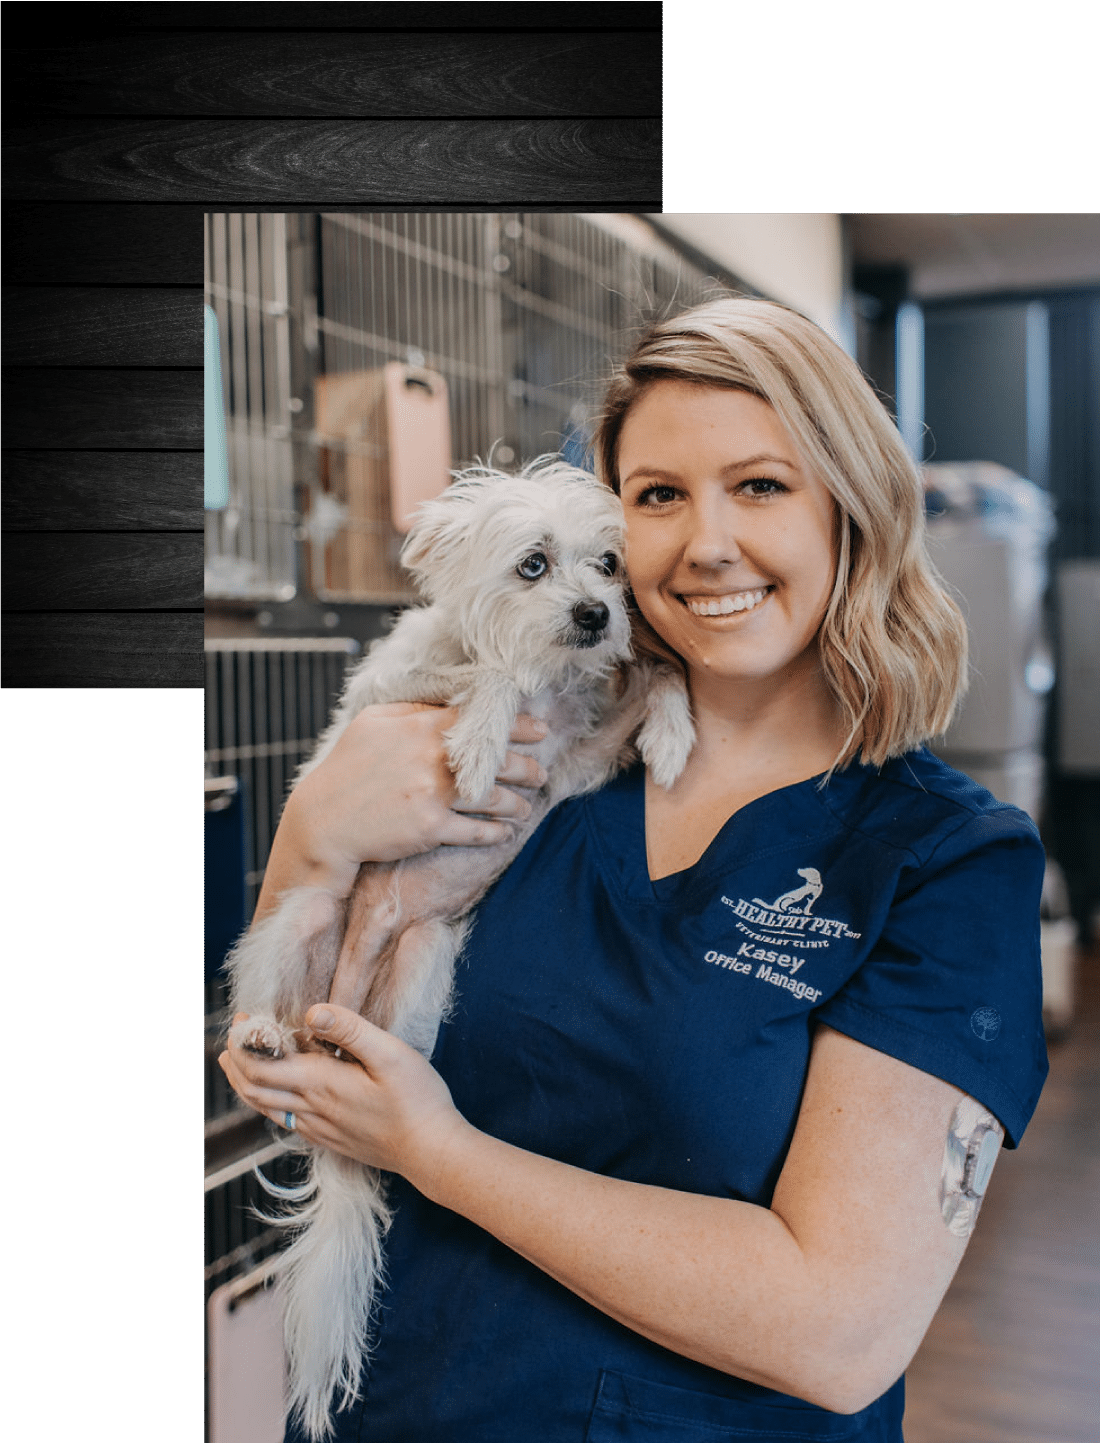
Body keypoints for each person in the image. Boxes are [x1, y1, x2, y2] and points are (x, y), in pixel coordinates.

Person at [222, 298, 1048, 1442]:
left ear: (849, 511)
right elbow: (298, 1078)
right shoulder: (537, 766)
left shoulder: (943, 863)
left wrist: (438, 1152)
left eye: (759, 485)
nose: (704, 542)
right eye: (658, 495)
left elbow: (838, 1330)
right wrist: (307, 838)